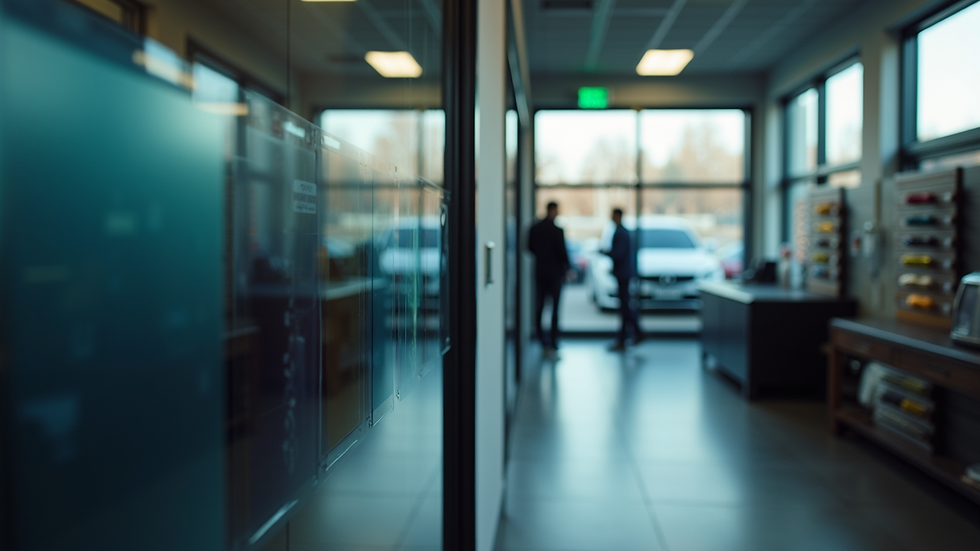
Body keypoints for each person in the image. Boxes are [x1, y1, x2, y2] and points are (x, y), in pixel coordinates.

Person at [528, 201, 570, 358]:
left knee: (539, 307)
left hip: (540, 272)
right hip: (555, 274)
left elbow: (529, 247)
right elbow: (562, 252)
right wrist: (567, 268)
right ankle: (553, 342)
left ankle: (542, 341)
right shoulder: (557, 230)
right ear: (553, 210)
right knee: (554, 309)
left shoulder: (534, 228)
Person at [603, 208, 642, 351]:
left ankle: (637, 332)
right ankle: (625, 337)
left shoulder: (621, 233)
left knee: (625, 306)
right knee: (624, 306)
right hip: (623, 273)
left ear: (618, 216)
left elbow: (618, 253)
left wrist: (606, 252)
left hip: (623, 274)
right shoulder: (622, 232)